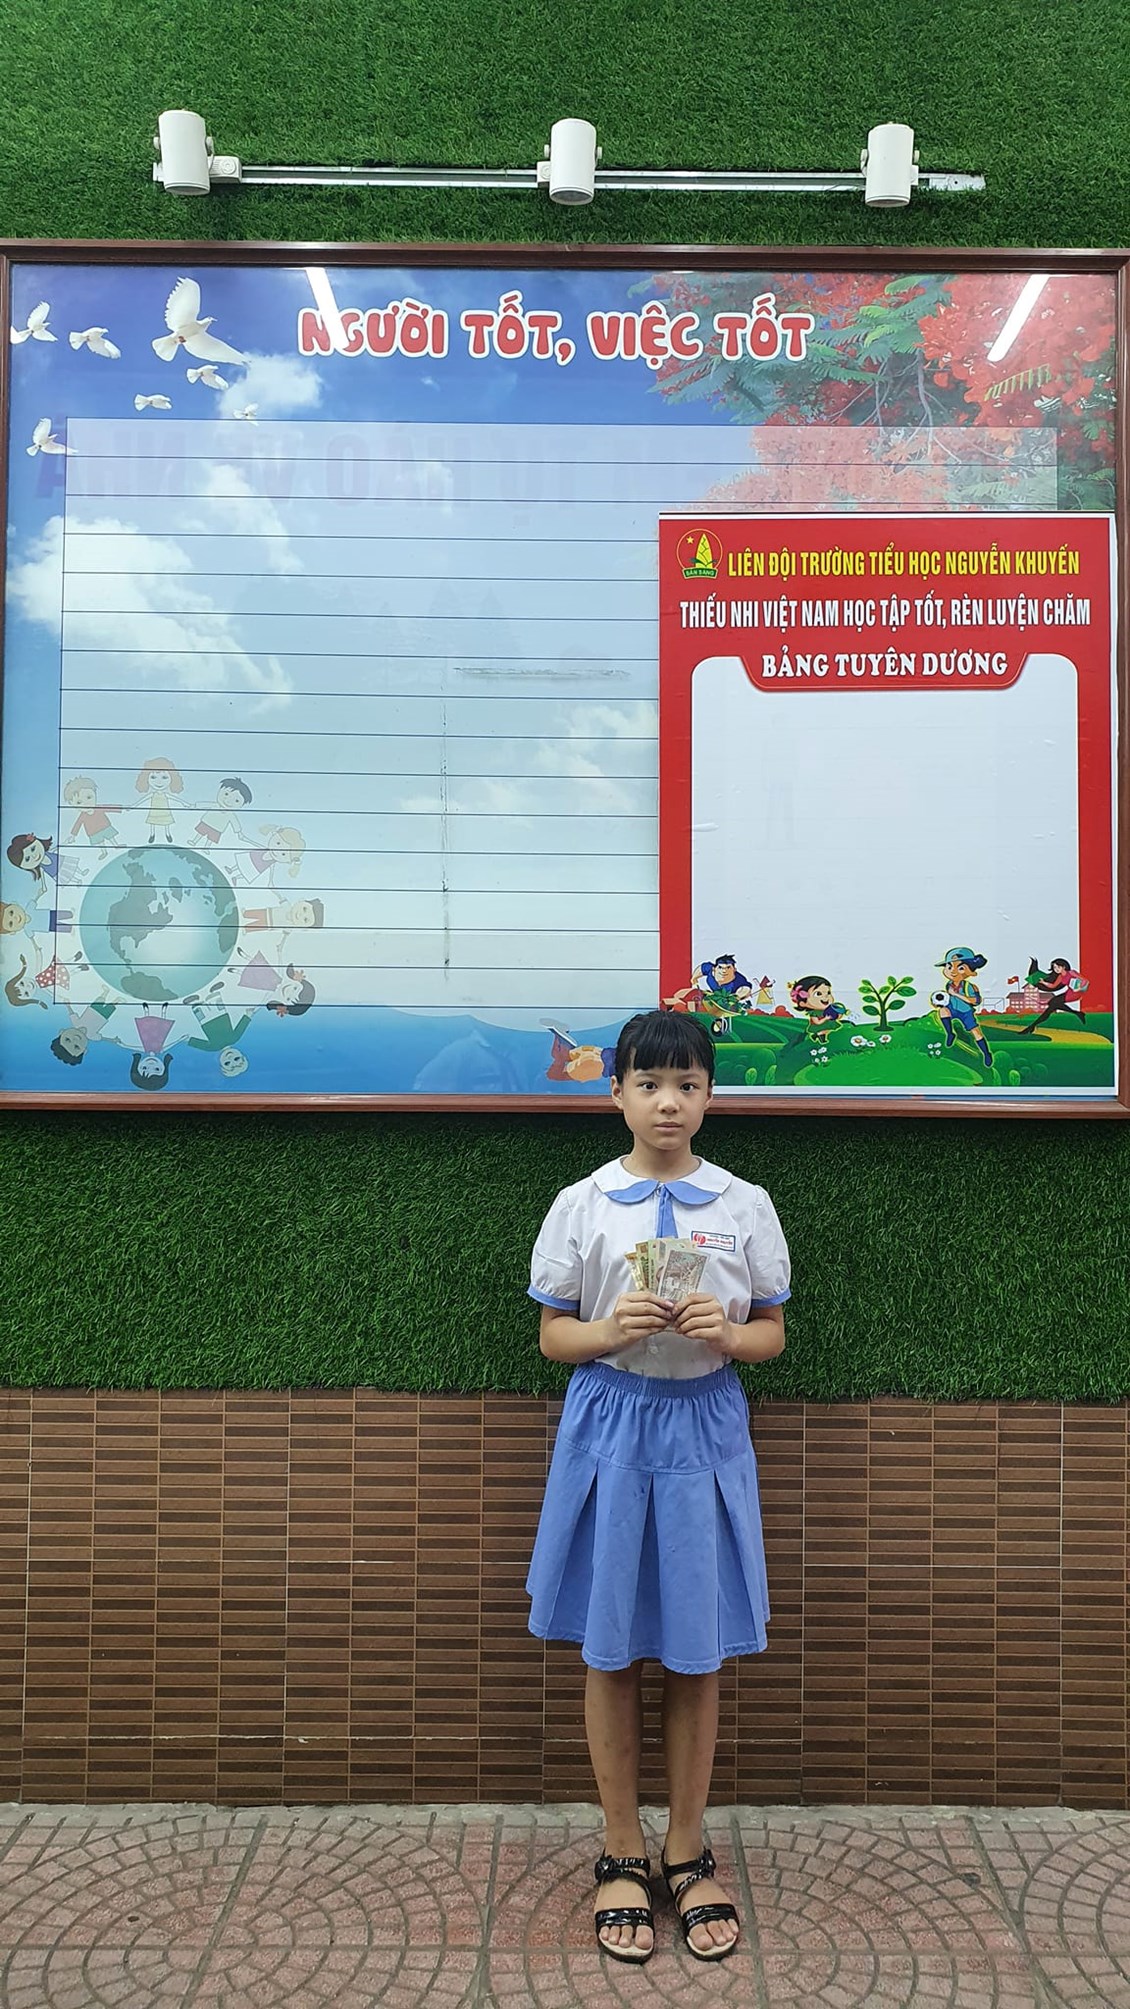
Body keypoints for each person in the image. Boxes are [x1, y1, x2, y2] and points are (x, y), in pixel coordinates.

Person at [526, 1009, 789, 1966]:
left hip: (705, 1428)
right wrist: (609, 1330)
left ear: (709, 1096)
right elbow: (553, 1333)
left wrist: (730, 1333)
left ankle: (685, 1847)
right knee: (609, 1648)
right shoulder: (583, 1202)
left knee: (695, 1649)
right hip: (610, 1425)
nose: (667, 1102)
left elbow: (773, 1333)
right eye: (648, 1083)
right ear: (617, 1093)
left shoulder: (744, 1203)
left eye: (686, 1084)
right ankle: (620, 1849)